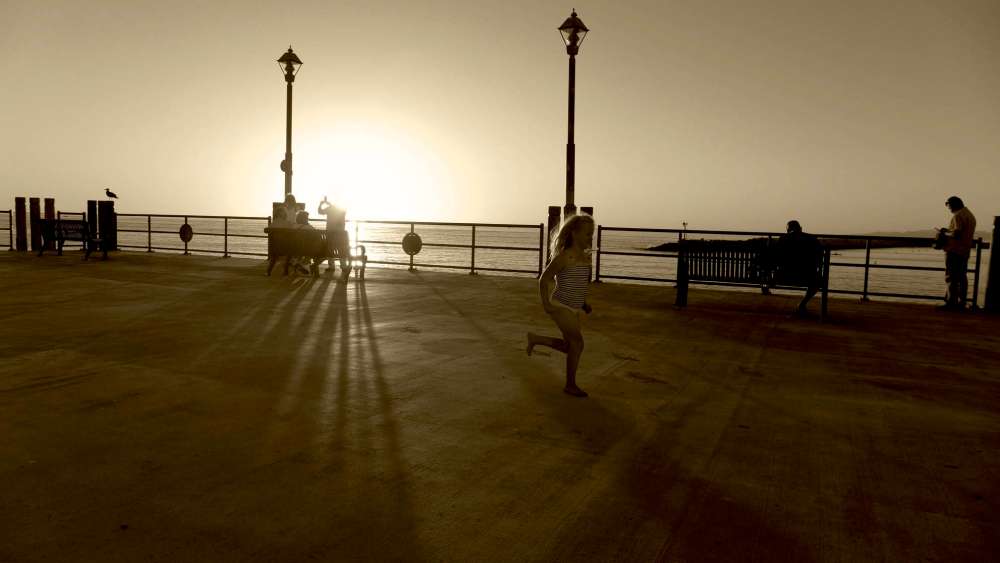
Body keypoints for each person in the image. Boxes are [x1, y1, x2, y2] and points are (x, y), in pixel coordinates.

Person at [526, 213, 595, 397]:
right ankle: (570, 385)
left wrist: (584, 303)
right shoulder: (564, 257)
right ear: (574, 233)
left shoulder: (586, 258)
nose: (591, 238)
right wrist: (546, 304)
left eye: (592, 234)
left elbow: (579, 283)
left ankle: (536, 339)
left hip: (575, 307)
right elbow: (544, 280)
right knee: (578, 344)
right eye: (587, 234)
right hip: (560, 305)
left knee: (569, 346)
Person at [775, 220, 823, 316]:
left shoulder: (782, 239)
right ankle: (802, 304)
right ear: (800, 228)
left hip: (784, 276)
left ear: (788, 230)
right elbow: (819, 258)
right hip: (807, 277)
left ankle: (765, 287)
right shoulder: (812, 239)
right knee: (817, 280)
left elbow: (776, 258)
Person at [939, 196, 977, 310]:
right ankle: (962, 302)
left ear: (954, 204)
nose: (949, 209)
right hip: (964, 250)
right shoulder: (970, 215)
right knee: (962, 277)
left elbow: (957, 234)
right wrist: (949, 231)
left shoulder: (958, 215)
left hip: (954, 250)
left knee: (951, 277)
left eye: (949, 206)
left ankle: (951, 303)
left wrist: (945, 233)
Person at [318, 196, 351, 278]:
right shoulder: (342, 210)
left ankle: (331, 266)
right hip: (340, 234)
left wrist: (321, 204)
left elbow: (320, 211)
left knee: (330, 249)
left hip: (330, 233)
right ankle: (343, 266)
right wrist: (330, 204)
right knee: (341, 249)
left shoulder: (330, 209)